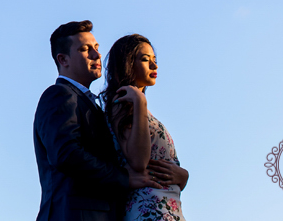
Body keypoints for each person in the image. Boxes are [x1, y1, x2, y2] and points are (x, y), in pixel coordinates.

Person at [34, 20, 156, 221]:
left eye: (96, 48)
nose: (96, 55)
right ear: (63, 59)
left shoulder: (92, 104)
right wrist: (123, 178)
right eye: (85, 49)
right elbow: (66, 154)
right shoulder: (59, 94)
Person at [102, 35, 188, 221]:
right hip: (148, 211)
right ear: (128, 63)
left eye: (154, 60)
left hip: (167, 209)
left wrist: (184, 176)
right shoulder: (122, 103)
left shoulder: (140, 110)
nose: (154, 66)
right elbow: (138, 161)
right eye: (145, 59)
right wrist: (140, 102)